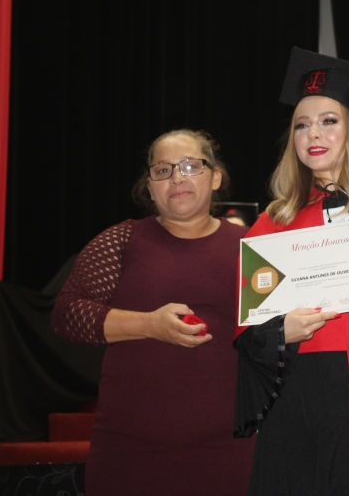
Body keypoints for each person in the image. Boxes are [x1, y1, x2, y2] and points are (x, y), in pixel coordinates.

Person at [234, 48, 349, 496]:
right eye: (301, 125)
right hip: (301, 395)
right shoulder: (272, 223)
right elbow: (248, 334)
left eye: (328, 121)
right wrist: (281, 330)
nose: (313, 134)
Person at [51, 129, 256, 495]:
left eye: (190, 166)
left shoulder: (252, 246)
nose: (177, 177)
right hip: (130, 450)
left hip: (231, 448)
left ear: (216, 177)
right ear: (149, 187)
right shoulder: (123, 239)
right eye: (163, 170)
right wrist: (149, 325)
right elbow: (66, 313)